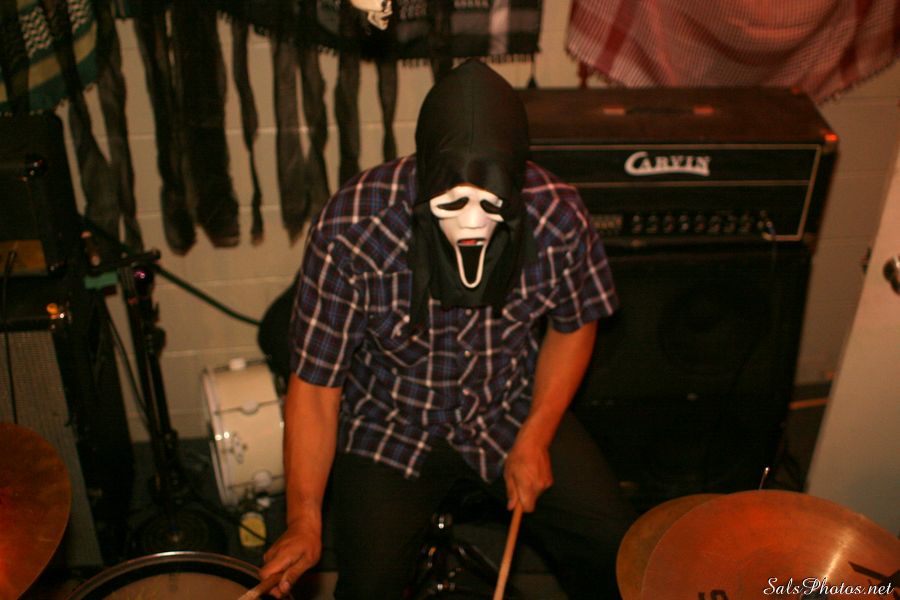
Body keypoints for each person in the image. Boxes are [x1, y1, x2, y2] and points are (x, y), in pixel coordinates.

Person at [260, 59, 635, 599]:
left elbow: (575, 325)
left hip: (509, 405)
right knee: (368, 588)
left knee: (616, 550)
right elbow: (316, 388)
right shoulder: (351, 226)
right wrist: (304, 519)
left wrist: (536, 433)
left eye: (492, 204)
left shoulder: (557, 214)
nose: (473, 224)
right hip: (388, 421)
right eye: (453, 204)